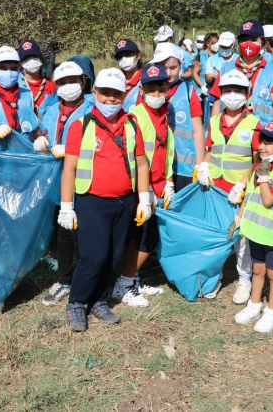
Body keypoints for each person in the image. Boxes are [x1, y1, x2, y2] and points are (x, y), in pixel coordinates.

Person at [59, 68, 151, 332]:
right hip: (92, 201)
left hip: (124, 202)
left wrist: (144, 200)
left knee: (113, 257)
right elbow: (70, 169)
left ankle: (99, 300)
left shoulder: (132, 125)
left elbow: (142, 165)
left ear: (124, 95)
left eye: (116, 95)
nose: (110, 100)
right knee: (94, 256)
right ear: (95, 93)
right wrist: (67, 207)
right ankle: (76, 302)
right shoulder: (81, 125)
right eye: (105, 93)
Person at [112, 64, 175, 308]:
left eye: (162, 88)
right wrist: (145, 192)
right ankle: (123, 284)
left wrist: (168, 180)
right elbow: (133, 159)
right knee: (146, 239)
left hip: (158, 186)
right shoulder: (136, 117)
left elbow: (166, 150)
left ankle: (133, 278)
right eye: (152, 89)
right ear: (141, 90)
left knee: (142, 237)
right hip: (142, 190)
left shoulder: (163, 115)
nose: (157, 94)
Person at [232, 121, 273, 334]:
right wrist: (239, 216)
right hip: (253, 231)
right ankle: (254, 304)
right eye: (261, 141)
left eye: (268, 143)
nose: (261, 146)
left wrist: (262, 179)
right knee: (257, 269)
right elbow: (250, 197)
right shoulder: (259, 169)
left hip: (272, 236)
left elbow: (268, 200)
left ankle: (272, 311)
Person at [203, 70, 261, 304]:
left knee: (241, 237)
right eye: (227, 90)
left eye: (237, 90)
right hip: (216, 188)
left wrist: (244, 182)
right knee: (217, 234)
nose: (232, 95)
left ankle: (244, 279)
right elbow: (210, 150)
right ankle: (213, 277)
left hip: (241, 189)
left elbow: (259, 159)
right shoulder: (214, 121)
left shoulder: (254, 123)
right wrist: (203, 168)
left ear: (246, 94)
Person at [39, 61, 94, 306]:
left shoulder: (94, 108)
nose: (68, 86)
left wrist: (73, 150)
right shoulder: (51, 111)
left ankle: (87, 283)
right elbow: (47, 135)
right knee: (62, 232)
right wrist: (43, 142)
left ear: (83, 82)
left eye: (73, 81)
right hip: (59, 182)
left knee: (81, 234)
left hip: (85, 180)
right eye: (62, 82)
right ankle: (63, 281)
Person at [0, 46, 47, 149]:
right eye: (3, 68)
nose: (9, 72)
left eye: (14, 68)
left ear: (19, 69)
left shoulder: (27, 95)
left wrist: (40, 139)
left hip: (25, 159)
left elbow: (35, 126)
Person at [151, 42, 206, 189]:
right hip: (156, 166)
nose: (168, 73)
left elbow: (197, 130)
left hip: (184, 168)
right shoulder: (147, 92)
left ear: (180, 65)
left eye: (173, 68)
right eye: (163, 68)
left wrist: (200, 165)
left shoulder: (189, 92)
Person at [18, 40, 55, 113]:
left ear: (41, 58)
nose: (31, 60)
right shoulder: (16, 85)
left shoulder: (51, 85)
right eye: (26, 58)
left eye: (34, 56)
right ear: (21, 63)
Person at [114, 39, 143, 107]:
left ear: (138, 56)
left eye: (128, 55)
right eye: (120, 56)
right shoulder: (115, 80)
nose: (124, 59)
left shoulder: (146, 78)